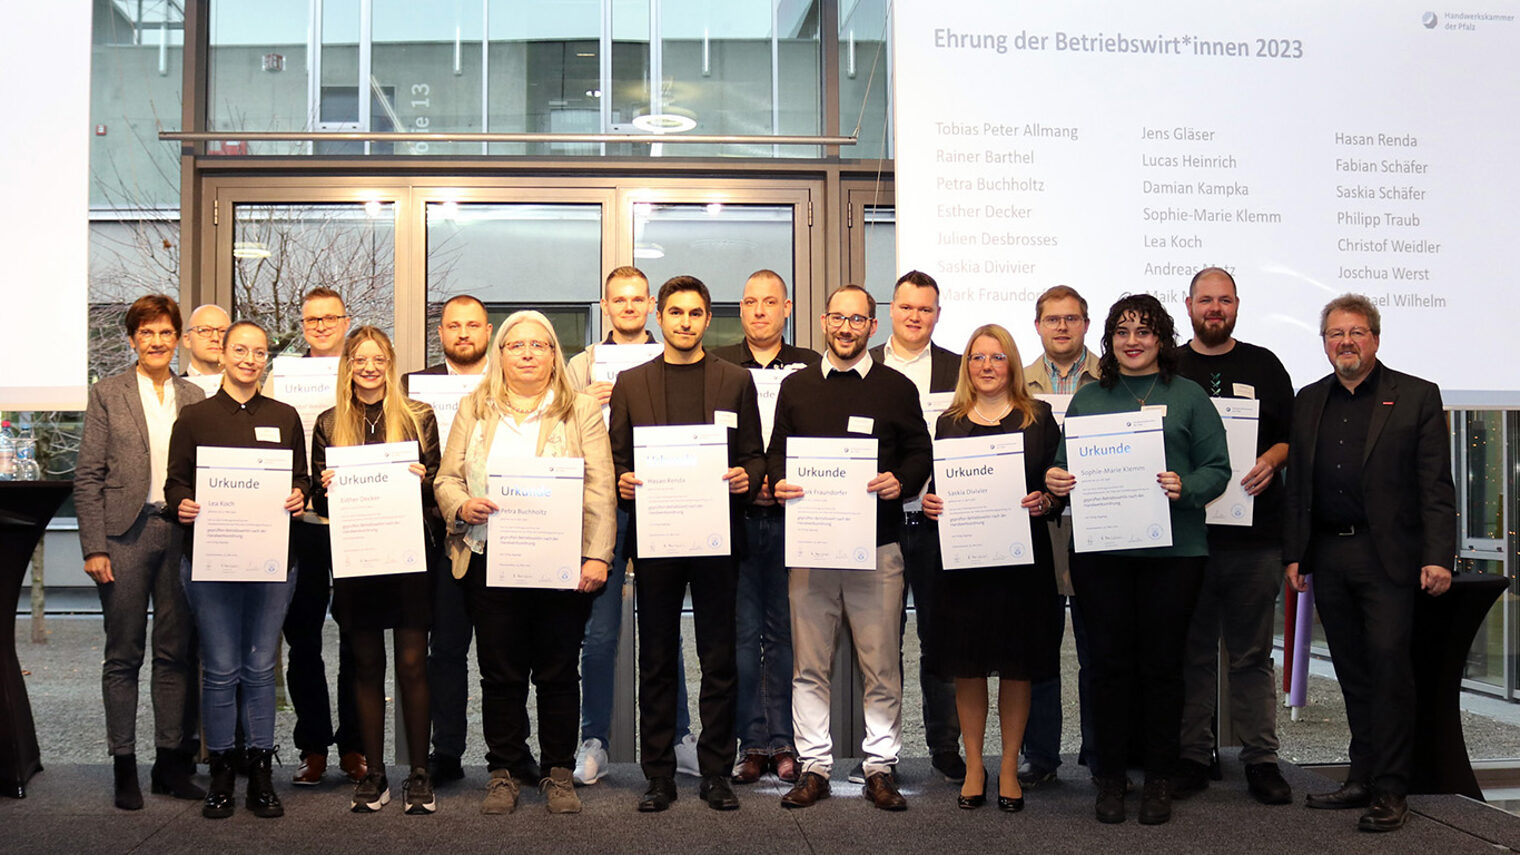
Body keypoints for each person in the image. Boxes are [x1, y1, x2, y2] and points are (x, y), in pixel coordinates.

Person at [1045, 293, 1230, 826]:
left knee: (1162, 669)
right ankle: (1109, 777)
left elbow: (1217, 468)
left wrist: (1185, 485)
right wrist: (1056, 478)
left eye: (1144, 331)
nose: (1132, 341)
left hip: (1174, 554)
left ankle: (1158, 778)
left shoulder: (1190, 396)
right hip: (1103, 554)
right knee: (1107, 667)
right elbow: (1062, 466)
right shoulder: (1089, 399)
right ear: (1109, 339)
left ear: (1161, 338)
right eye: (1122, 331)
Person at [1284, 294, 1455, 833]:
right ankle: (1361, 776)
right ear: (1325, 343)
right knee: (1353, 672)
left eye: (1356, 332)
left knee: (1387, 669)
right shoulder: (1309, 399)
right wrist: (1296, 553)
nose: (1346, 342)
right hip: (1329, 554)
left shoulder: (1416, 396)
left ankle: (1391, 788)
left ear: (1375, 339)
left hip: (1388, 559)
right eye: (1336, 334)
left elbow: (1435, 486)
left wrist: (1438, 556)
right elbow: (1299, 490)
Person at [434, 311, 616, 816]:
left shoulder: (579, 409)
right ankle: (505, 772)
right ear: (501, 353)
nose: (529, 353)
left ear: (554, 354)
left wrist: (598, 555)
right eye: (517, 345)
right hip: (492, 561)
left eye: (540, 345)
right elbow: (446, 478)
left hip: (560, 563)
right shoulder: (475, 406)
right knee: (500, 674)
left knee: (558, 673)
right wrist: (461, 506)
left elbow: (601, 485)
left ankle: (559, 773)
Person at [769, 284, 932, 812]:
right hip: (812, 551)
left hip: (878, 548)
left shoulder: (896, 387)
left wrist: (900, 482)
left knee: (881, 664)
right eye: (838, 319)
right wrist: (779, 484)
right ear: (822, 321)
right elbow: (776, 456)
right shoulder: (796, 388)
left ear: (873, 326)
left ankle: (880, 767)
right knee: (809, 667)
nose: (846, 328)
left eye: (857, 320)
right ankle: (814, 766)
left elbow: (919, 453)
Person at [609, 275, 766, 813]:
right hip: (656, 539)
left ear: (706, 319)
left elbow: (755, 454)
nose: (684, 321)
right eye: (675, 312)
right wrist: (623, 480)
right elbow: (616, 460)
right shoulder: (631, 383)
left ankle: (717, 771)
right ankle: (658, 775)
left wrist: (748, 477)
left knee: (718, 658)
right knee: (655, 659)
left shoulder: (734, 380)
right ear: (660, 315)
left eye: (695, 313)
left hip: (717, 538)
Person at [164, 320, 310, 819]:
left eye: (260, 351)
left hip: (272, 562)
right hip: (212, 559)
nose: (250, 358)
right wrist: (182, 504)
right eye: (241, 349)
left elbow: (301, 479)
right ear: (222, 354)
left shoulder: (286, 416)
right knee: (222, 669)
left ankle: (262, 773)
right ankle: (222, 771)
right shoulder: (195, 418)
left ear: (267, 358)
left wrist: (300, 495)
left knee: (261, 668)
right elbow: (175, 484)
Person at [565, 267, 698, 785]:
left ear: (650, 307)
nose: (628, 307)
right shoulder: (580, 366)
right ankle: (593, 740)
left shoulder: (674, 358)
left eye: (638, 299)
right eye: (618, 299)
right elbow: (562, 436)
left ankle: (681, 737)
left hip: (666, 499)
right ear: (605, 304)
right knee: (599, 635)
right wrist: (587, 404)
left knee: (664, 629)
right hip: (606, 506)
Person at [921, 324, 1061, 812]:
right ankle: (975, 764)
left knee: (1018, 667)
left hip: (1022, 566)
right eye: (978, 357)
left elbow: (1054, 491)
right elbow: (939, 489)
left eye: (997, 358)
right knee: (969, 665)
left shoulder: (1038, 419)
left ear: (1011, 364)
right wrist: (932, 503)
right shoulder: (950, 422)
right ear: (967, 366)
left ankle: (1008, 767)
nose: (986, 366)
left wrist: (1045, 500)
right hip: (965, 564)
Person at [75, 294, 207, 810]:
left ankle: (168, 765)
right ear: (132, 339)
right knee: (124, 654)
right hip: (123, 537)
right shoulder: (108, 394)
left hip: (178, 533)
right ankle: (123, 766)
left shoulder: (194, 396)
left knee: (176, 654)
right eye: (146, 333)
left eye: (166, 333)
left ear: (178, 340)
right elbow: (88, 477)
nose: (156, 342)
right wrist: (93, 547)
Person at [1173, 268, 1295, 805]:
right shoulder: (1169, 365)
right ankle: (1193, 758)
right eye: (1206, 300)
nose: (1214, 309)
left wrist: (1272, 456)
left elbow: (1294, 436)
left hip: (1255, 538)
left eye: (1224, 300)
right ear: (1189, 305)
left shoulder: (1265, 365)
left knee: (1251, 656)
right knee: (1191, 654)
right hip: (1188, 538)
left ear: (1238, 305)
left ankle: (1261, 761)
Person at [311, 326, 443, 814]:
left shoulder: (419, 417)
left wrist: (424, 480)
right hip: (357, 558)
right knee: (365, 666)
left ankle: (419, 774)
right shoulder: (328, 423)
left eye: (377, 359)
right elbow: (318, 500)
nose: (369, 367)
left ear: (389, 362)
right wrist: (324, 486)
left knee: (412, 665)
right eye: (359, 360)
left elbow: (438, 486)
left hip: (409, 557)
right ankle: (375, 775)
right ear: (348, 365)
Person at [711, 269, 820, 785]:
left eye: (769, 302)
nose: (759, 311)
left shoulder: (813, 368)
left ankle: (786, 743)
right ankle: (750, 743)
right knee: (740, 636)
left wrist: (776, 479)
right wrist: (749, 478)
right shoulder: (718, 367)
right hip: (733, 515)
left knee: (784, 637)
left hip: (794, 519)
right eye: (750, 302)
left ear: (787, 308)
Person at [868, 270, 965, 785]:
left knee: (939, 638)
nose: (914, 316)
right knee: (882, 643)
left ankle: (945, 747)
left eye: (925, 309)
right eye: (906, 307)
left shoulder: (960, 369)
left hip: (937, 526)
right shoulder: (868, 368)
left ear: (937, 315)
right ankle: (883, 752)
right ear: (890, 310)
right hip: (879, 525)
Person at [405, 294, 493, 785]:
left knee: (504, 655)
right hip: (436, 542)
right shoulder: (413, 388)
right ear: (441, 333)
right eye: (453, 326)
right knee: (446, 652)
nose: (463, 333)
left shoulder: (509, 385)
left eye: (473, 325)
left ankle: (510, 751)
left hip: (498, 536)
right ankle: (447, 751)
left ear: (488, 330)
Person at [1019, 285, 1101, 788]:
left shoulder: (1112, 379)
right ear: (1038, 326)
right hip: (1039, 529)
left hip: (1102, 526)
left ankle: (1100, 751)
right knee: (1039, 648)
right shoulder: (1017, 382)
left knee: (1099, 650)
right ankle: (1040, 756)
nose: (1063, 327)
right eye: (1053, 319)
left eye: (1072, 318)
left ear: (1086, 324)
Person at [285, 286, 366, 787]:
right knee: (303, 640)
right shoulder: (284, 375)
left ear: (345, 320)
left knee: (357, 638)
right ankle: (313, 746)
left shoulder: (367, 371)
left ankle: (355, 746)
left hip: (359, 524)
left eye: (329, 317)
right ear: (302, 323)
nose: (320, 326)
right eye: (311, 319)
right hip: (304, 528)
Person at [182, 304, 230, 378]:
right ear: (187, 340)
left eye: (223, 331)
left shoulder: (246, 388)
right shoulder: (169, 388)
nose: (215, 338)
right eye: (205, 330)